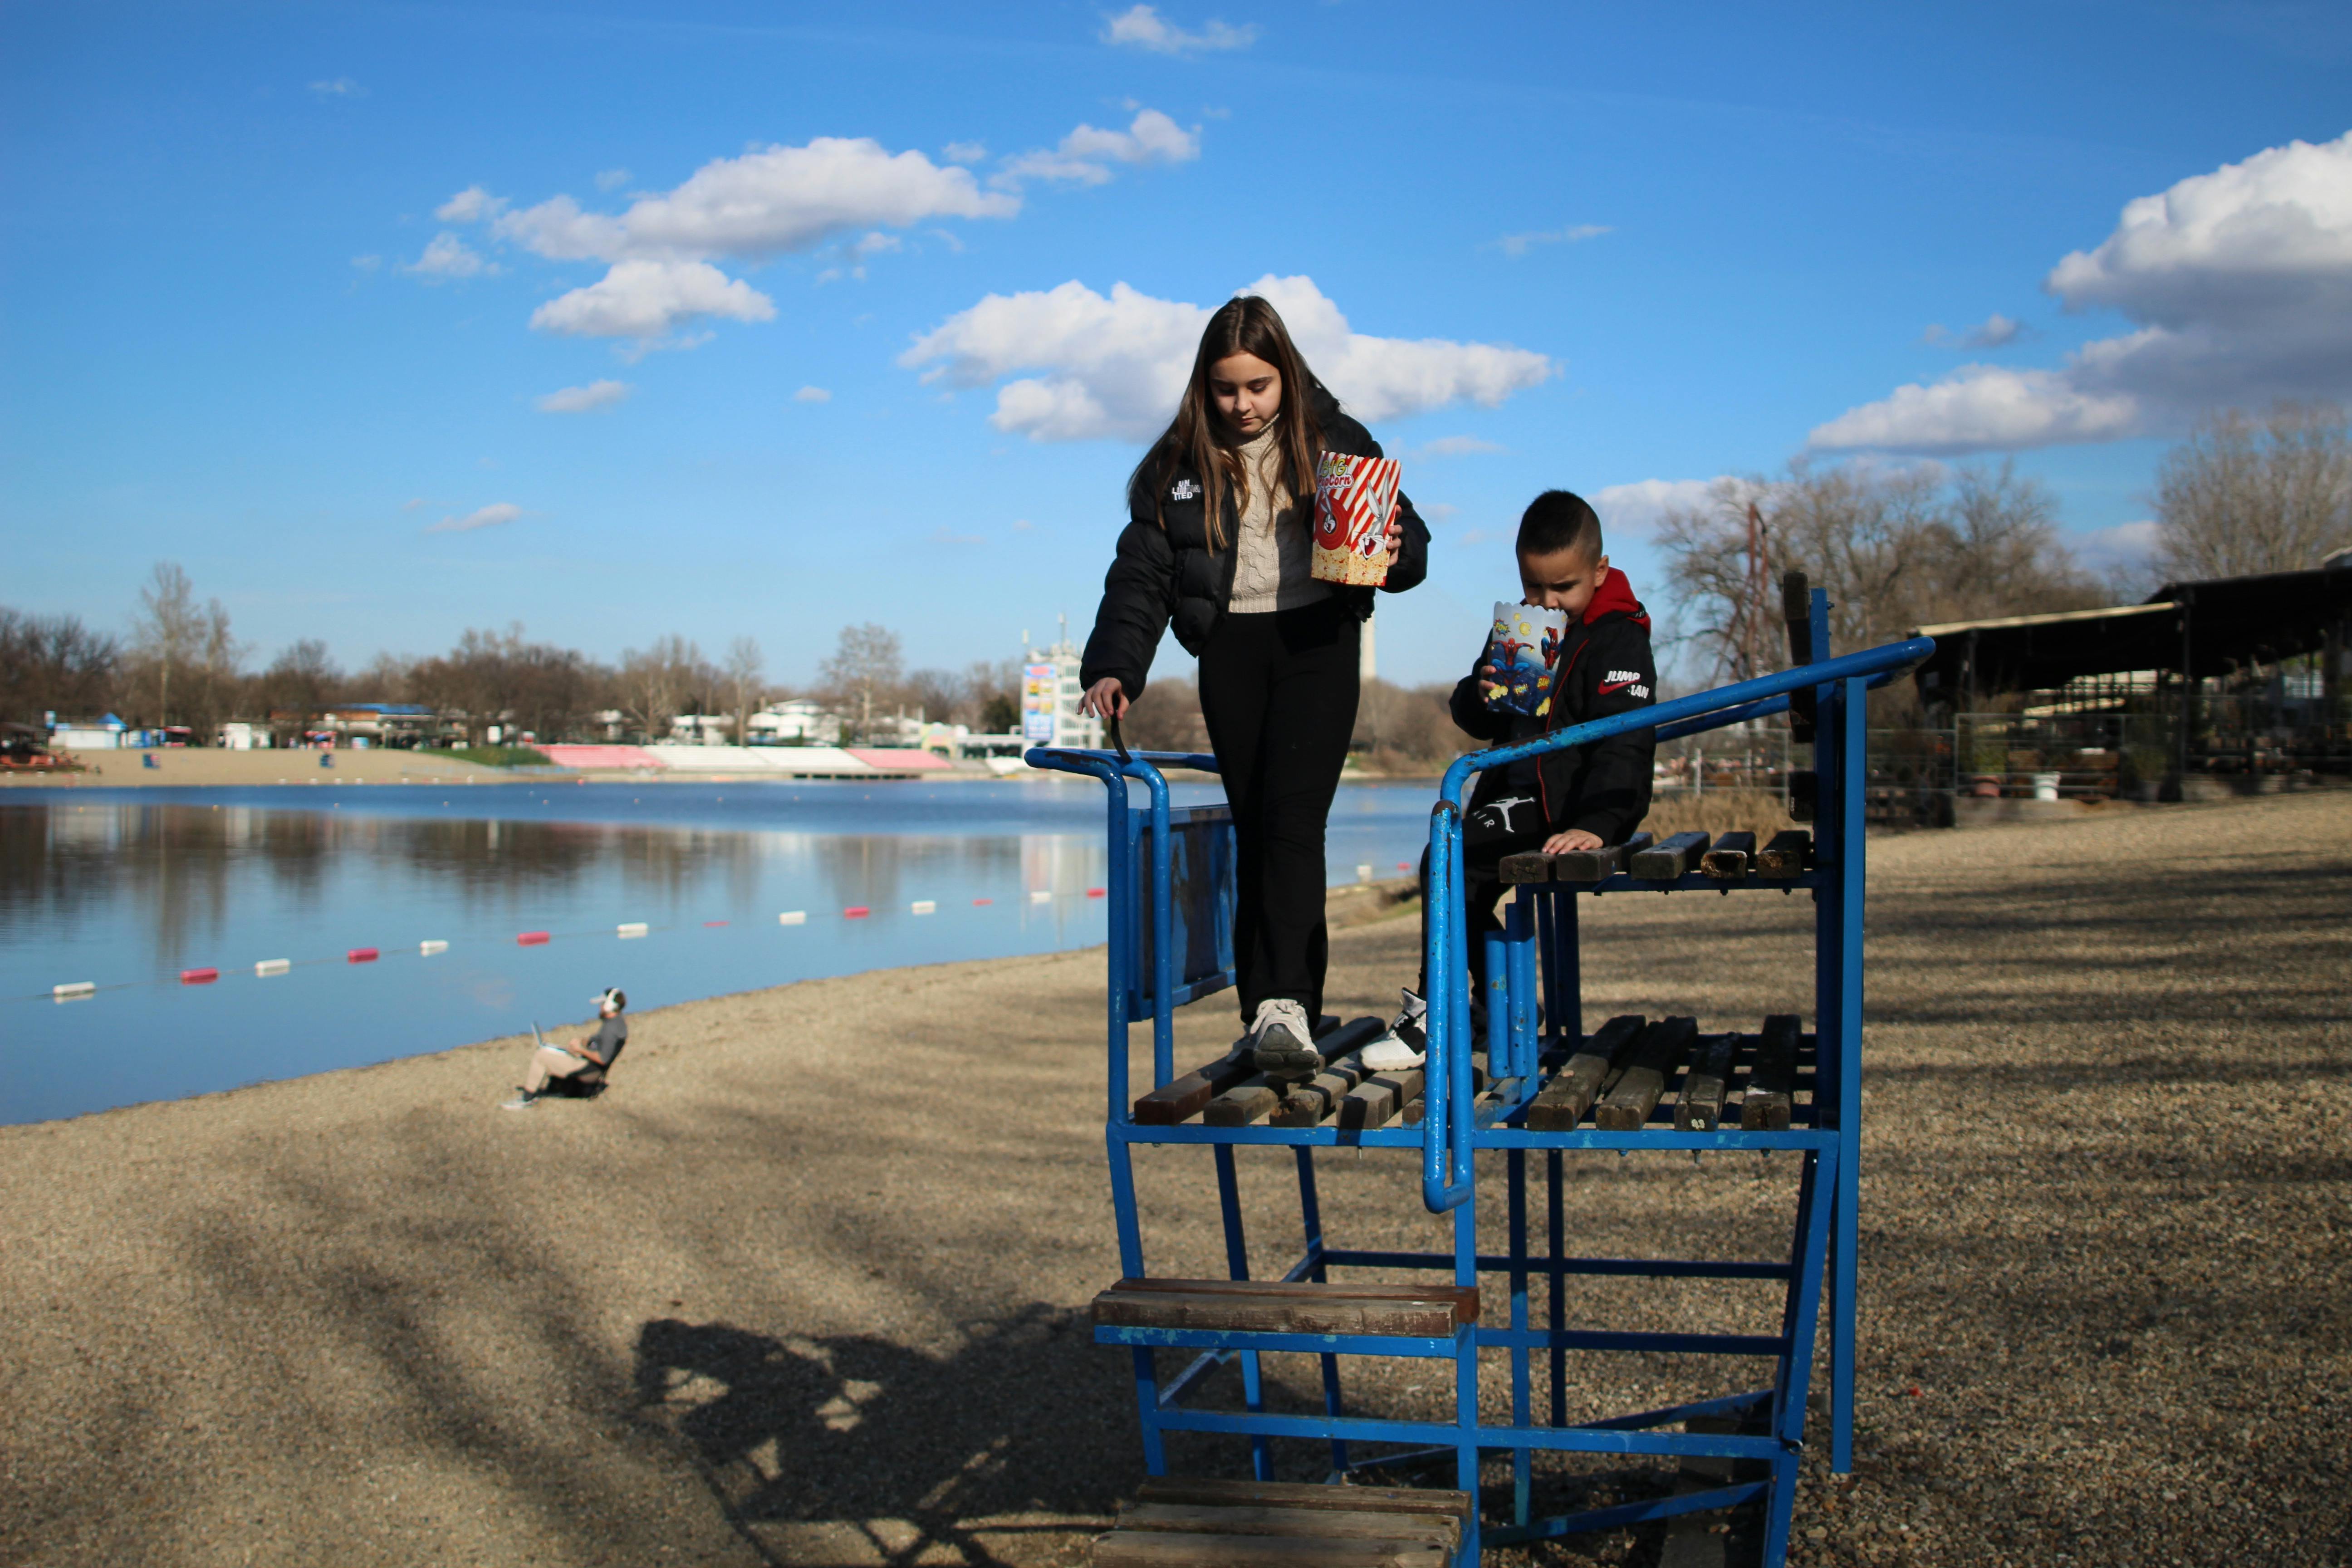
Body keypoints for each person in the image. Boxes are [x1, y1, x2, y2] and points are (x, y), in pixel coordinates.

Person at [1078, 294, 1431, 1079]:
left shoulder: (1336, 439)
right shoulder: (1173, 467)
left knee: (1293, 824)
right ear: (1203, 385)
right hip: (1230, 650)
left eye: (1257, 387)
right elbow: (1140, 575)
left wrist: (1398, 548)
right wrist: (1112, 665)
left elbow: (1408, 554)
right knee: (1251, 824)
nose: (1241, 405)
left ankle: (1289, 1004)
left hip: (1318, 640)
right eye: (1225, 389)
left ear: (1286, 376)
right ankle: (1262, 1012)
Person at [1365, 490, 1655, 1069]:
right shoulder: (1527, 627)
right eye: (1534, 587)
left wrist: (1598, 824)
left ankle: (1443, 1008)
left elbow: (1627, 743)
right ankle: (1474, 998)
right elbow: (1474, 717)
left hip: (1571, 806)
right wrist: (1488, 690)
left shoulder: (1619, 637)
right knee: (1446, 863)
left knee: (1448, 863)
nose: (1550, 602)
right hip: (1514, 797)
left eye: (1564, 588)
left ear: (1599, 572)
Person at [502, 988, 627, 1109]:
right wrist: (583, 1042)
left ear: (609, 1006)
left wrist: (580, 1050)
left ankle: (527, 1098)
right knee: (552, 1052)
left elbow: (603, 1059)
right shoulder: (617, 1023)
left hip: (588, 1071)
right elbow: (599, 1042)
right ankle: (554, 1088)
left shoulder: (611, 1029)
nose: (599, 1007)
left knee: (541, 1055)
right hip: (590, 1067)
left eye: (602, 1004)